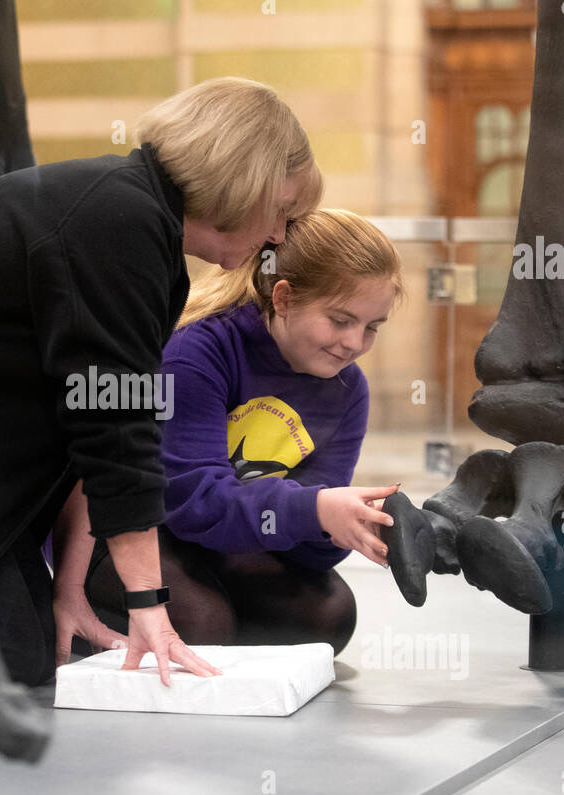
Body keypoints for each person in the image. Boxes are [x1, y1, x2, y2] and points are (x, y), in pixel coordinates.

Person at [0, 77, 324, 687]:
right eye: (282, 210)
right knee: (2, 663)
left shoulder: (140, 223)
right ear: (241, 179)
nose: (279, 236)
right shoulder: (119, 221)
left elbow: (90, 423)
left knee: (28, 648)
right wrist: (148, 604)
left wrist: (70, 587)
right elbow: (118, 433)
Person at [53, 209, 405, 661]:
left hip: (222, 532)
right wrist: (314, 508)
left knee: (328, 618)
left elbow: (306, 553)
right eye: (340, 320)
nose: (355, 343)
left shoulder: (348, 388)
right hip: (136, 526)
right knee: (202, 624)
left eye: (372, 327)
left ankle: (220, 617)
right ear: (283, 298)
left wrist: (338, 529)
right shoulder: (197, 351)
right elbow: (191, 502)